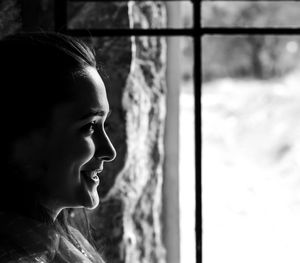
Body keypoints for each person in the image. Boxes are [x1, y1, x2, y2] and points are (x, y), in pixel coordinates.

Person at [0, 31, 116, 262]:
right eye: (90, 127)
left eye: (105, 125)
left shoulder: (62, 241)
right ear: (21, 136)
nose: (110, 152)